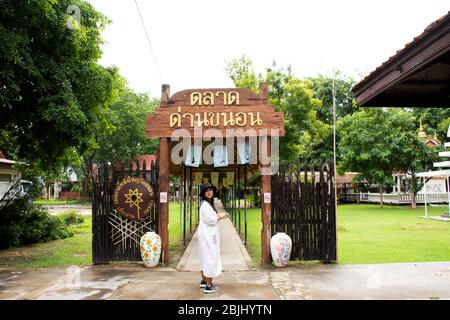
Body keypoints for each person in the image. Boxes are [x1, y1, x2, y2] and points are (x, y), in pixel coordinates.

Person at [197, 183, 228, 294]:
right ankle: (209, 286)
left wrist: (218, 215)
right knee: (210, 258)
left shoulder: (208, 204)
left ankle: (204, 281)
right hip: (207, 236)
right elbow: (210, 220)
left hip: (207, 235)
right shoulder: (205, 206)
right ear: (203, 193)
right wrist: (221, 216)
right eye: (207, 191)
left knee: (204, 257)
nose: (209, 192)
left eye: (211, 190)